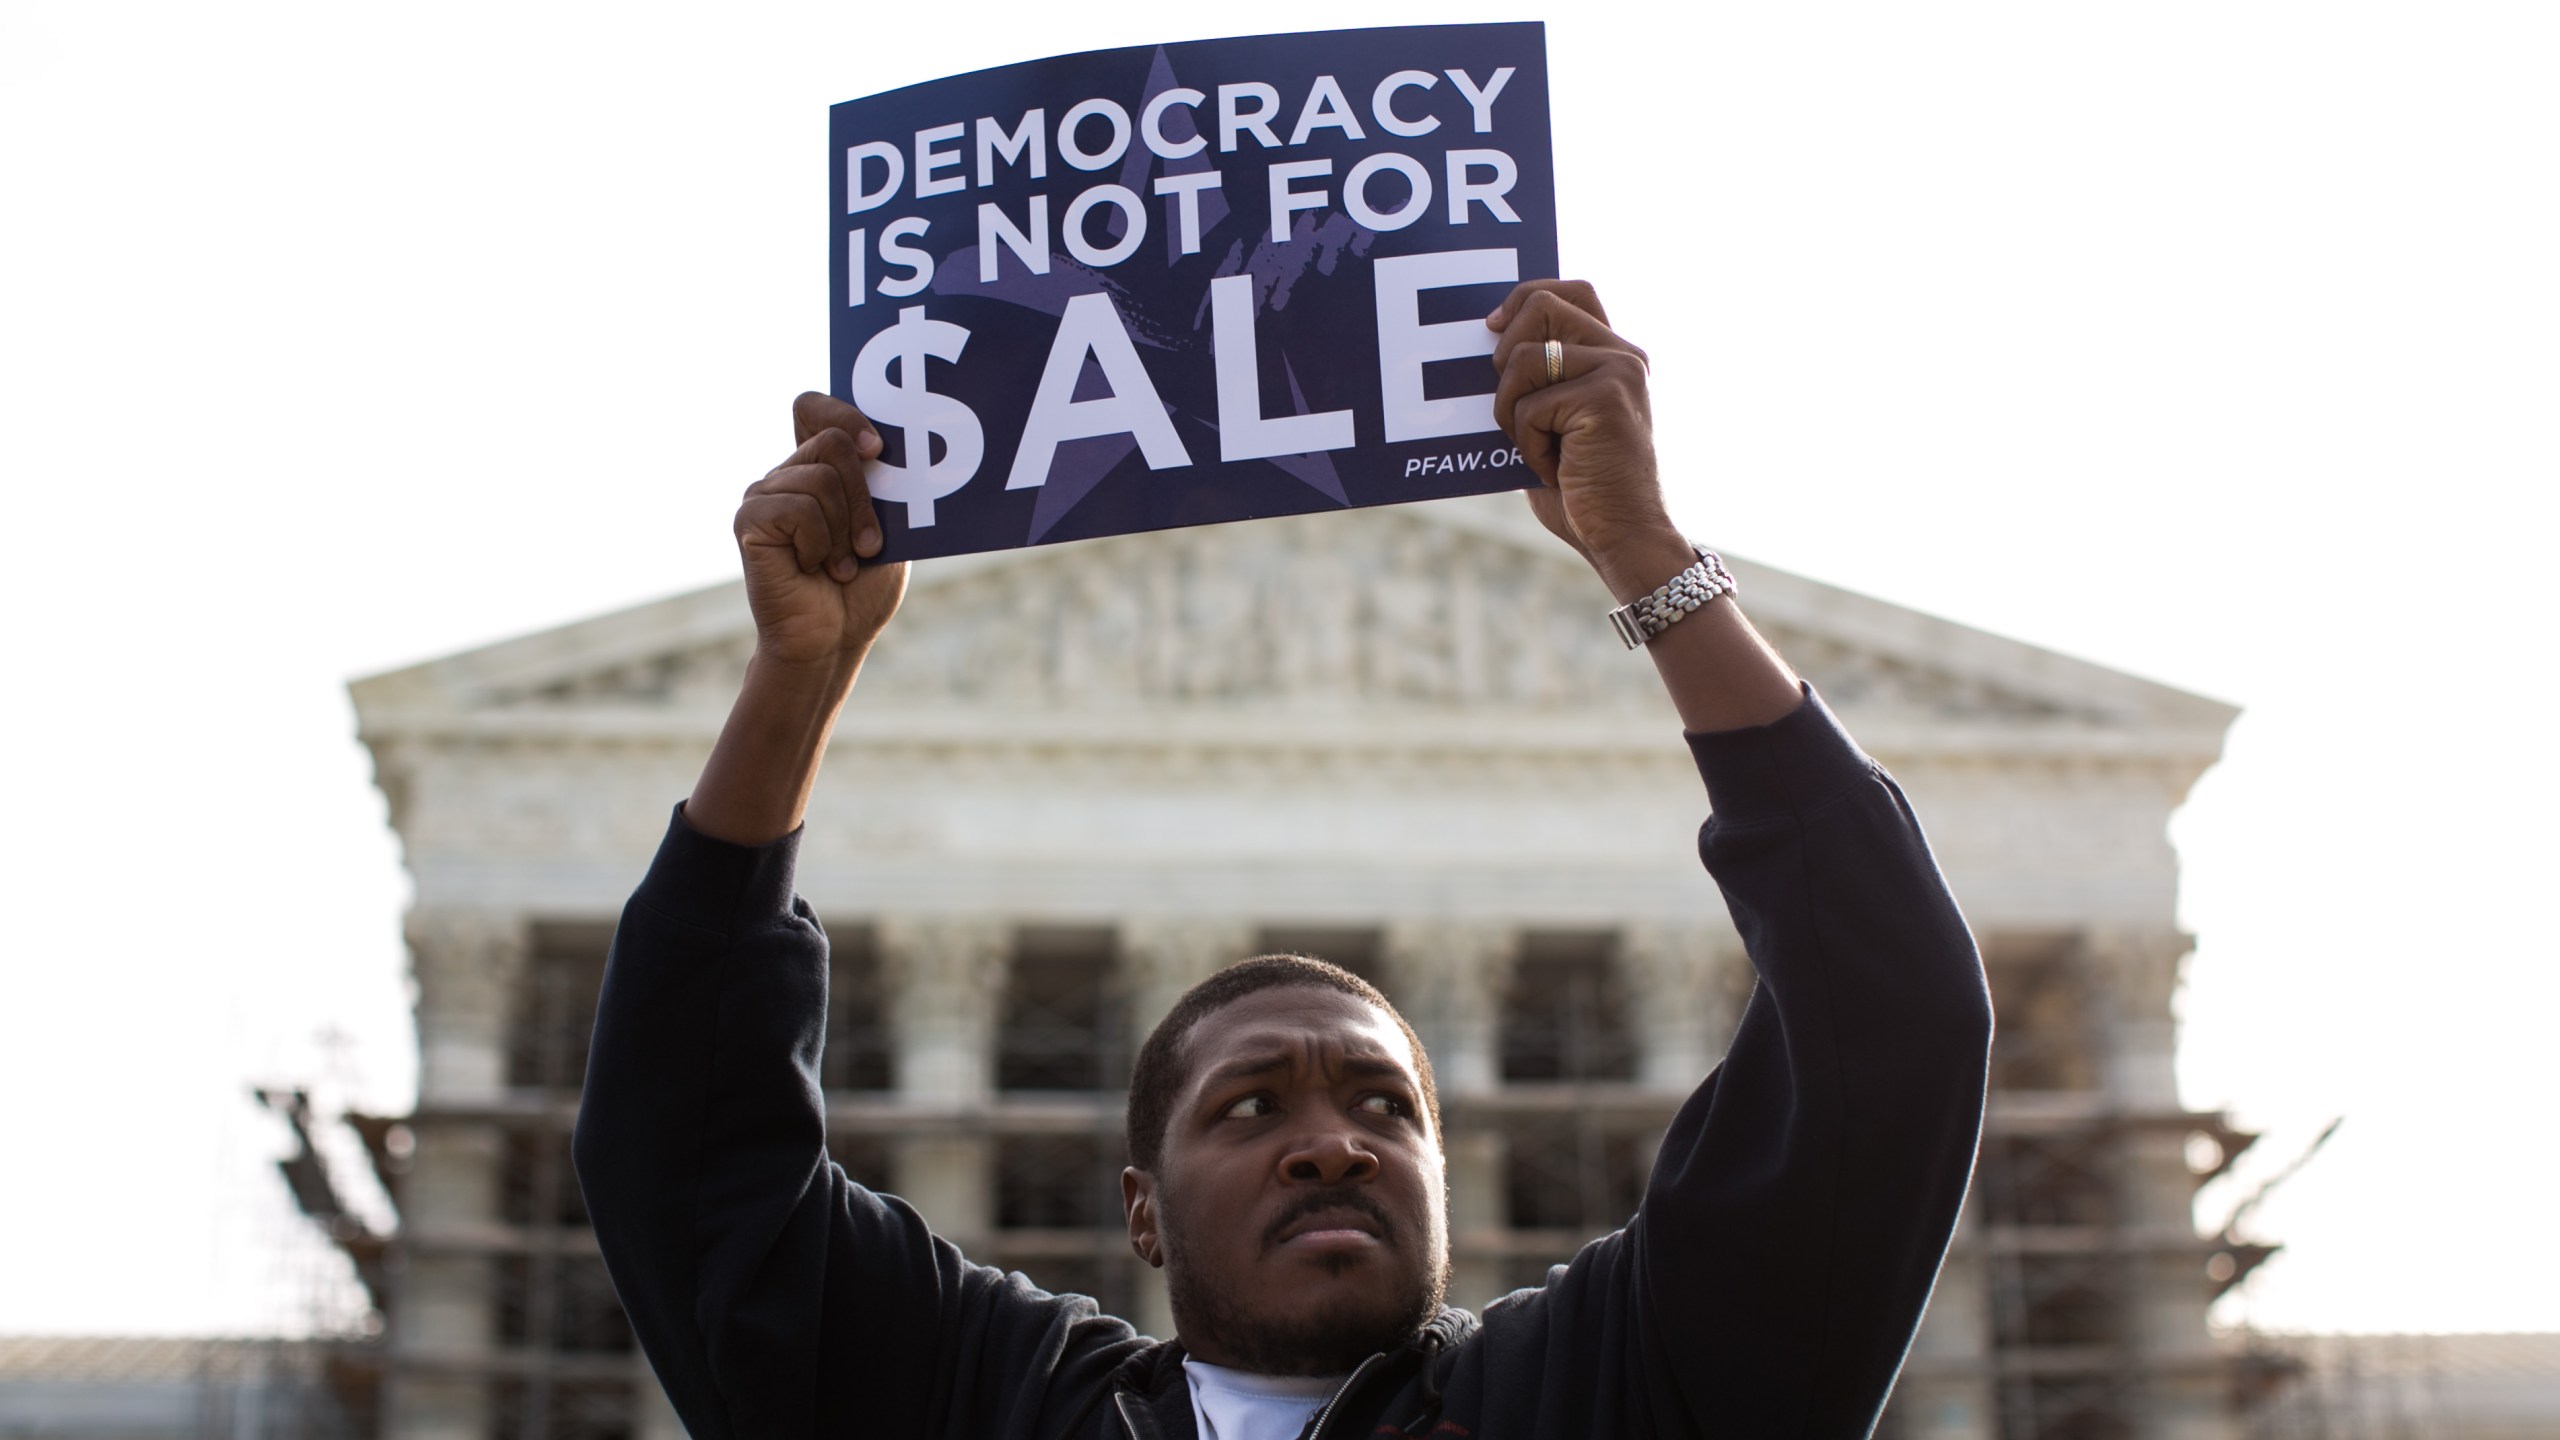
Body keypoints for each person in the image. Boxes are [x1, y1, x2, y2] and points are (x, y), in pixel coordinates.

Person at [573, 281, 1994, 1439]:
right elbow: (686, 1158)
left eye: (1386, 1104)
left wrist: (1650, 561)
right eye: (1250, 1107)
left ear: (1442, 1170)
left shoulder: (1604, 1395)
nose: (1333, 1140)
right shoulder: (988, 1406)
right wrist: (797, 682)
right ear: (1139, 1207)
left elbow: (1890, 1027)